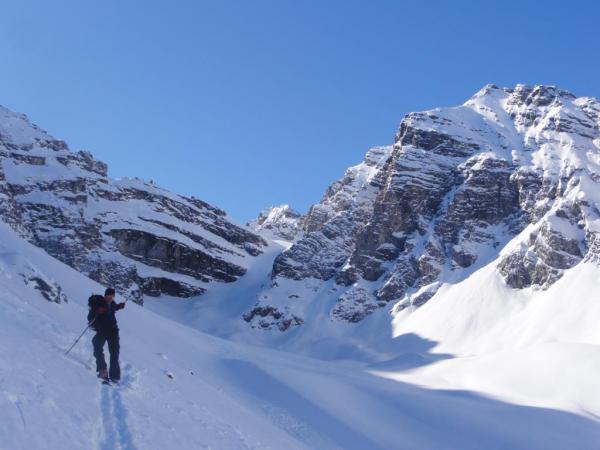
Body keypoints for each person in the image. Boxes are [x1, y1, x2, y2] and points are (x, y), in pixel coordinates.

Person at [91, 287, 125, 382]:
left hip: (113, 331)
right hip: (102, 331)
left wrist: (119, 306)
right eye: (109, 295)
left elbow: (113, 308)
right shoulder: (99, 303)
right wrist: (97, 311)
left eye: (112, 296)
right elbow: (91, 315)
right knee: (97, 347)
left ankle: (115, 376)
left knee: (114, 353)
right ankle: (103, 371)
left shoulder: (112, 304)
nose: (110, 297)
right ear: (105, 295)